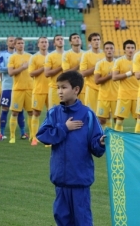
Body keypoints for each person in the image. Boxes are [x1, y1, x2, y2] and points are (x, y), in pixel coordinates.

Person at [36, 71, 105, 226]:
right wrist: (64, 128)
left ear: (76, 89)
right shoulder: (54, 113)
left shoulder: (87, 114)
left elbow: (95, 145)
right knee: (62, 218)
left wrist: (100, 143)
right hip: (60, 180)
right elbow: (43, 135)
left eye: (64, 87)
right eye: (58, 87)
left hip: (80, 179)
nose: (60, 91)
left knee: (82, 220)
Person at [0, 36, 26, 140]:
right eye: (10, 41)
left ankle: (23, 133)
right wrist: (14, 68)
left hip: (19, 86)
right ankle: (1, 132)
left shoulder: (22, 55)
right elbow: (0, 68)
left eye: (15, 41)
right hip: (7, 86)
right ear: (7, 43)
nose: (13, 42)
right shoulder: (2, 55)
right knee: (5, 109)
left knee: (20, 110)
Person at [7, 38, 33, 144]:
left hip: (30, 88)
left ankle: (32, 136)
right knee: (14, 112)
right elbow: (10, 72)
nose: (21, 45)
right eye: (18, 43)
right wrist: (22, 68)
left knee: (31, 112)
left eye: (22, 43)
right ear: (15, 45)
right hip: (18, 88)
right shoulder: (12, 57)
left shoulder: (30, 57)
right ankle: (12, 136)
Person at [112, 40, 138, 131]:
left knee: (139, 119)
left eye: (132, 48)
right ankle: (118, 140)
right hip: (124, 95)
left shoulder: (139, 61)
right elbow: (114, 77)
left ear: (135, 49)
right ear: (124, 50)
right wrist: (129, 74)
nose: (130, 50)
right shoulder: (119, 61)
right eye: (128, 48)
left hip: (137, 95)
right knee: (119, 119)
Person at [28, 37, 49, 146]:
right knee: (36, 113)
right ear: (38, 44)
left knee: (51, 114)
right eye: (42, 42)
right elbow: (31, 73)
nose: (44, 44)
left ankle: (48, 139)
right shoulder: (34, 57)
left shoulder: (52, 56)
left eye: (46, 42)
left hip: (51, 90)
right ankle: (34, 137)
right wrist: (43, 68)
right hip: (39, 89)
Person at [94, 42, 119, 129]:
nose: (109, 50)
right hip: (104, 96)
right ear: (104, 50)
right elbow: (96, 81)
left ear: (114, 50)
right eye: (107, 48)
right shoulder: (99, 64)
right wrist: (110, 75)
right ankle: (102, 138)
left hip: (117, 96)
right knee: (101, 120)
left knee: (118, 120)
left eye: (111, 48)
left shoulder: (118, 63)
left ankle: (117, 139)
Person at [80, 33, 105, 112]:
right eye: (94, 40)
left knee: (106, 114)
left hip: (104, 88)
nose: (96, 41)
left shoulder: (105, 54)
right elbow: (83, 73)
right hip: (91, 88)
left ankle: (107, 125)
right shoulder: (86, 55)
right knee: (91, 113)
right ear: (90, 42)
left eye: (98, 39)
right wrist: (97, 67)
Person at [62, 33, 86, 103]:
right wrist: (78, 66)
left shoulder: (85, 54)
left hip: (84, 86)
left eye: (78, 38)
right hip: (71, 86)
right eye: (74, 38)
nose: (77, 39)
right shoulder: (66, 54)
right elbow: (65, 72)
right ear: (70, 42)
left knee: (84, 108)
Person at [45, 35, 64, 109]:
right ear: (54, 43)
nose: (60, 40)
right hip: (55, 87)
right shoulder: (50, 56)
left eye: (61, 39)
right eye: (58, 39)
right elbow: (47, 73)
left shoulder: (68, 55)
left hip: (68, 88)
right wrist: (61, 67)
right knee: (54, 112)